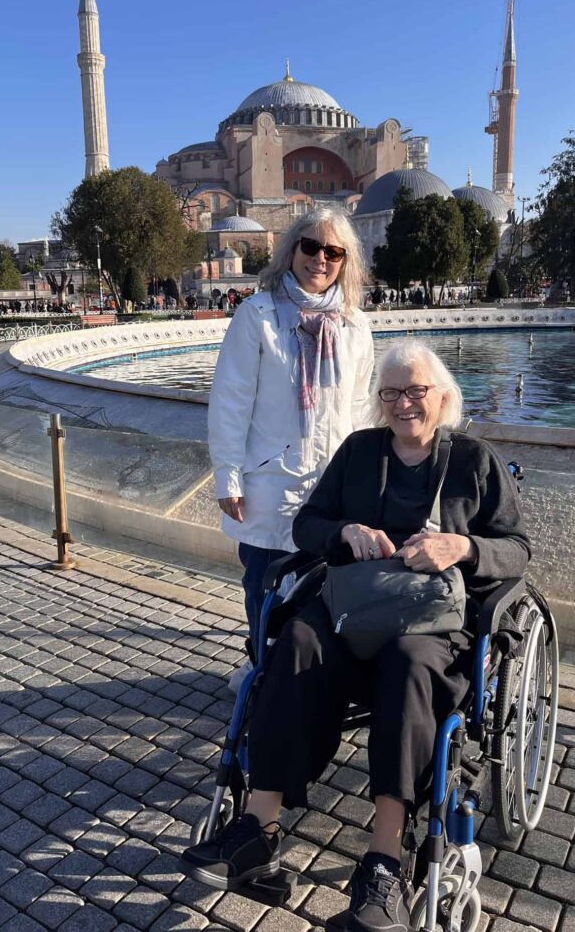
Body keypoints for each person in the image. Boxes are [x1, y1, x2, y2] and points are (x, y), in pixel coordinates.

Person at [184, 341, 530, 932]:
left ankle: (386, 860)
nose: (402, 402)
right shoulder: (359, 452)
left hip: (428, 626)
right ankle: (258, 829)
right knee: (295, 642)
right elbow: (307, 524)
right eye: (390, 392)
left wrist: (462, 546)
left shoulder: (475, 461)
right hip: (351, 612)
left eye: (415, 390)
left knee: (409, 662)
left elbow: (517, 549)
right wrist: (345, 531)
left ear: (441, 396)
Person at [208, 207, 374, 691]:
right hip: (270, 483)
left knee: (324, 585)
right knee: (263, 583)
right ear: (291, 250)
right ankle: (262, 667)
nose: (320, 259)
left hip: (331, 487)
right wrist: (228, 476)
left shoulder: (355, 326)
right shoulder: (257, 316)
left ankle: (305, 676)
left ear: (345, 262)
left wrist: (362, 480)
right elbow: (231, 400)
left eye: (333, 251)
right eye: (311, 246)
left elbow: (361, 409)